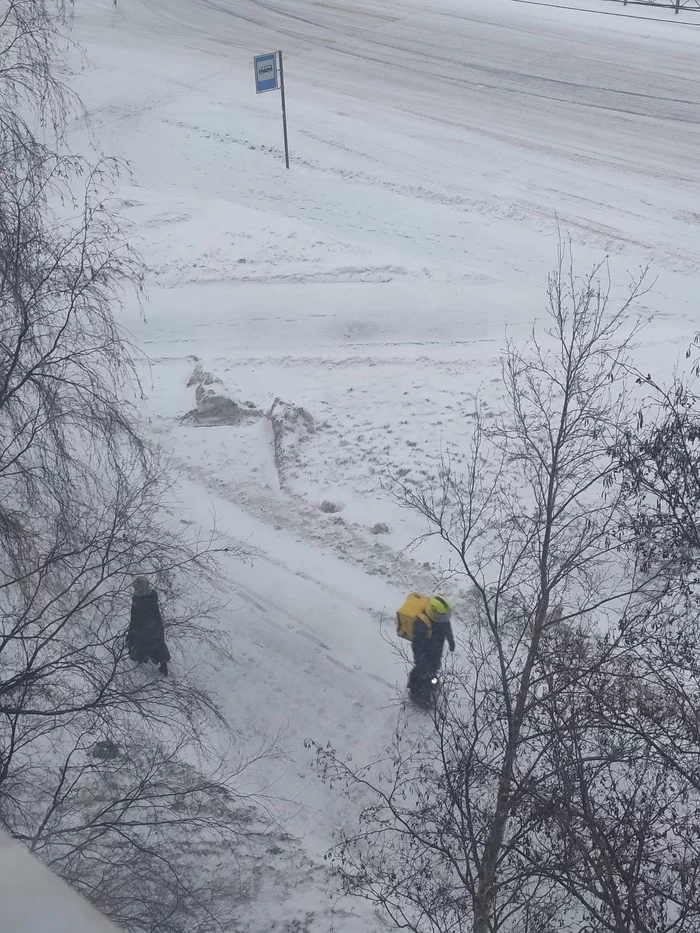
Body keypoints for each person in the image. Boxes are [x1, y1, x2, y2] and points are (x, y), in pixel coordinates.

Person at [408, 595, 455, 705]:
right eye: (443, 616)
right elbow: (416, 645)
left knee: (434, 668)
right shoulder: (421, 624)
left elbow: (447, 628)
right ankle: (416, 693)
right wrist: (420, 661)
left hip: (436, 650)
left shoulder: (441, 618)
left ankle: (431, 682)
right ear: (433, 612)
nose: (445, 619)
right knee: (421, 673)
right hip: (424, 653)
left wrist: (451, 641)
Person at [127, 576, 171, 676]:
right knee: (152, 644)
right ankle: (141, 658)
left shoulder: (146, 600)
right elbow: (134, 618)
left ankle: (161, 665)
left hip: (150, 627)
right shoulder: (147, 598)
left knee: (154, 645)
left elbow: (136, 618)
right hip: (149, 627)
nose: (138, 589)